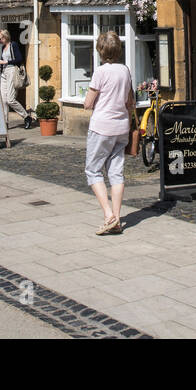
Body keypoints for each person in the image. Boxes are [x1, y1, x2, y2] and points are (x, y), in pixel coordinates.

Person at [83, 30, 134, 236]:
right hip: (121, 126)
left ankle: (108, 215)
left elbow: (88, 102)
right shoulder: (125, 71)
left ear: (101, 51)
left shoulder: (101, 72)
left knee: (93, 171)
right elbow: (129, 101)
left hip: (102, 126)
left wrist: (90, 100)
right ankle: (118, 217)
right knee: (116, 172)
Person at [0, 29, 33, 129]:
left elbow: (19, 59)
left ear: (5, 37)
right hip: (4, 73)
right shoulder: (3, 47)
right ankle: (5, 123)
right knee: (3, 100)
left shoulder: (13, 45)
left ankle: (26, 116)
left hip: (12, 71)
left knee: (10, 100)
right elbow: (3, 61)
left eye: (0, 39)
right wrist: (0, 68)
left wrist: (6, 62)